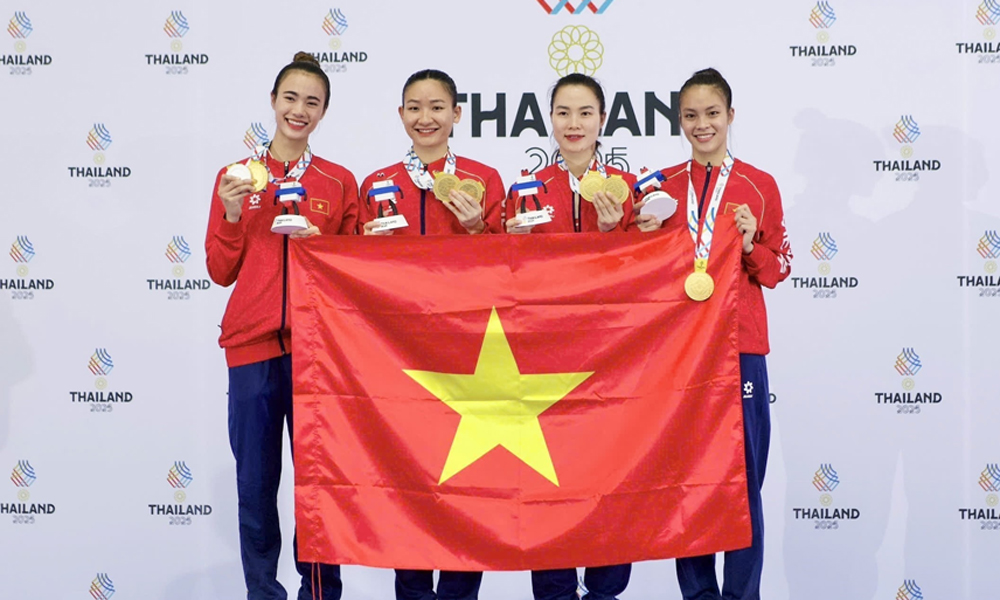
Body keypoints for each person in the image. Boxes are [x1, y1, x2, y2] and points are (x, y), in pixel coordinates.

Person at [205, 51, 358, 600]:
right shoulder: (235, 178)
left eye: (312, 102)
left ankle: (320, 594)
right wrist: (230, 215)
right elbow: (220, 270)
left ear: (324, 112)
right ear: (273, 101)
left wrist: (325, 250)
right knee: (254, 487)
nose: (299, 110)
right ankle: (262, 592)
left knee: (319, 489)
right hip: (251, 350)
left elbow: (355, 273)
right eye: (290, 98)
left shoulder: (339, 182)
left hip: (319, 353)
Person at [359, 68, 504, 600]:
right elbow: (353, 273)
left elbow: (509, 267)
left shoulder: (485, 179)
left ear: (457, 114)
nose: (426, 118)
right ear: (401, 115)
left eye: (438, 107)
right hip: (398, 357)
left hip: (468, 353)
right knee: (409, 482)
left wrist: (478, 229)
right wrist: (365, 251)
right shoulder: (376, 183)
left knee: (468, 484)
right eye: (415, 108)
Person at [649, 67, 792, 600]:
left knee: (743, 483)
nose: (701, 124)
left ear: (731, 115)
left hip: (740, 350)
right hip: (680, 353)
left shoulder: (759, 185)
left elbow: (779, 268)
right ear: (679, 120)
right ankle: (698, 595)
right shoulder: (661, 187)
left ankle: (742, 595)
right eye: (690, 115)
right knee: (687, 481)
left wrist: (751, 244)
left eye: (712, 113)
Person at [504, 72, 635, 600]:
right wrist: (507, 246)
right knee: (548, 482)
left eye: (585, 113)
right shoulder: (525, 190)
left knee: (612, 478)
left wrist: (614, 233)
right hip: (544, 361)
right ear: (550, 119)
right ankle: (554, 591)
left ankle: (606, 590)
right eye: (563, 112)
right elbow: (506, 282)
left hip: (616, 361)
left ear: (603, 119)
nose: (574, 124)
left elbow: (649, 272)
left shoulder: (634, 187)